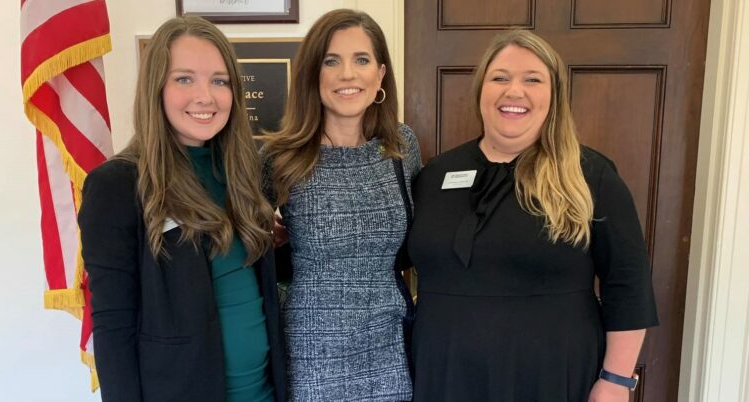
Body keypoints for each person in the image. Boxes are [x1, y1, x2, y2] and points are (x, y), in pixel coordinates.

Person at [407, 30, 659, 402]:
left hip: (552, 376)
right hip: (444, 374)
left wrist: (616, 381)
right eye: (500, 78)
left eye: (532, 79)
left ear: (554, 95)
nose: (514, 91)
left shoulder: (590, 174)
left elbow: (628, 284)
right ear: (481, 89)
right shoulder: (436, 174)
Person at [78, 16, 286, 402]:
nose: (205, 96)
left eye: (219, 81)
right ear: (156, 87)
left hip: (265, 393)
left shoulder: (245, 173)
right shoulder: (117, 186)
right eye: (184, 79)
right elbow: (113, 324)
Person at [259, 9, 420, 402]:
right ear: (314, 73)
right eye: (332, 61)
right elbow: (247, 241)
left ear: (380, 75)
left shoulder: (402, 147)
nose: (348, 74)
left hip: (391, 350)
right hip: (310, 355)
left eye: (361, 60)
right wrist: (267, 230)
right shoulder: (281, 156)